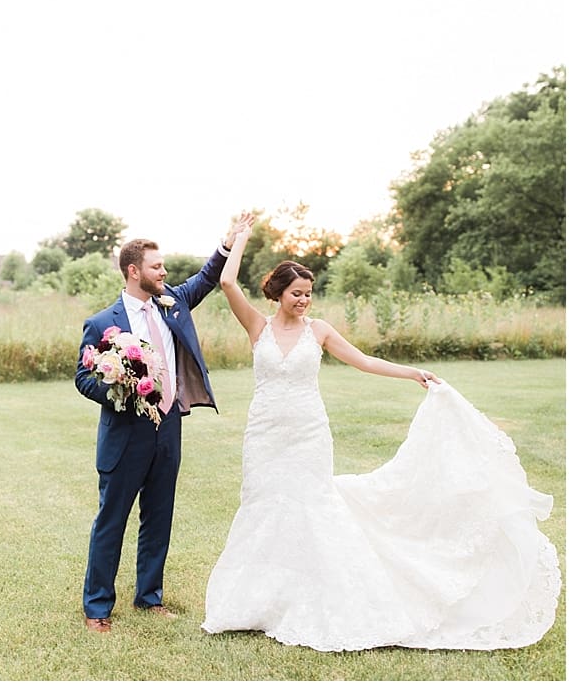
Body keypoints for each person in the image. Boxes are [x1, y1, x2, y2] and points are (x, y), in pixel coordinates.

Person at [203, 219, 561, 650]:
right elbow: (226, 280)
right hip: (264, 434)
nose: (303, 300)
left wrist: (411, 373)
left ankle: (313, 596)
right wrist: (239, 236)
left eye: (308, 293)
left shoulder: (319, 331)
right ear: (277, 293)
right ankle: (256, 603)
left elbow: (364, 361)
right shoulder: (257, 327)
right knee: (263, 506)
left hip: (308, 434)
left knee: (311, 507)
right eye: (296, 293)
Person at [75, 228, 242, 632]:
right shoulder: (102, 323)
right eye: (157, 266)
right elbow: (83, 377)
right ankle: (97, 607)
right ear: (134, 272)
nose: (164, 271)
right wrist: (121, 391)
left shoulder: (172, 304)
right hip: (125, 432)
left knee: (159, 516)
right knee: (111, 520)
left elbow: (205, 279)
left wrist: (227, 245)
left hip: (168, 427)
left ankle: (149, 597)